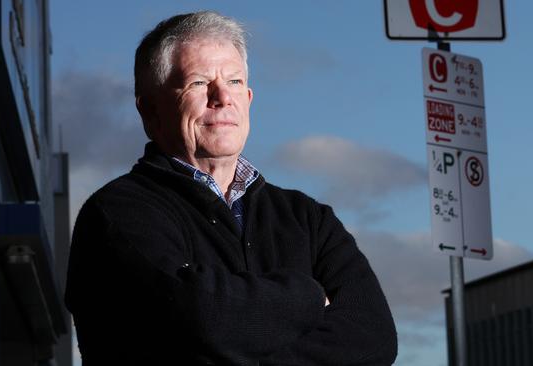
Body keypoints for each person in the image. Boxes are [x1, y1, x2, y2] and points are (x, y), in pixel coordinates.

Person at [65, 11, 397, 365]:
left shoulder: (309, 219)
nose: (222, 96)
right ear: (150, 111)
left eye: (235, 81)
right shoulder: (116, 214)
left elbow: (374, 337)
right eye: (197, 83)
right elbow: (198, 314)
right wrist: (310, 297)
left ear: (249, 99)